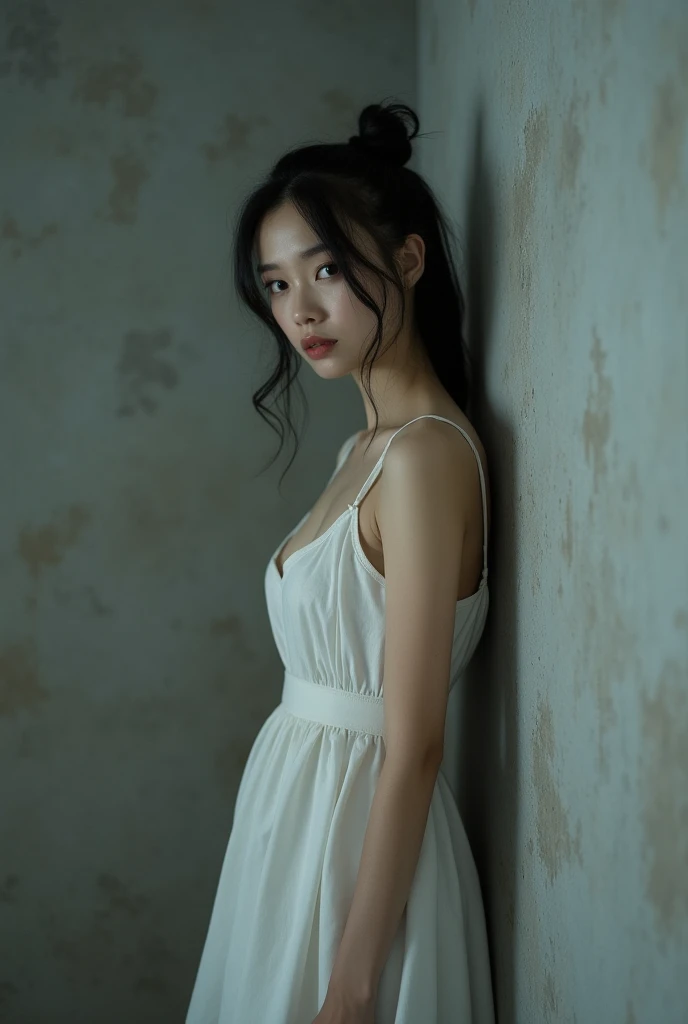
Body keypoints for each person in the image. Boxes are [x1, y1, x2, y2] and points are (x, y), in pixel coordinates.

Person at [186, 99, 495, 1024]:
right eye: (275, 285)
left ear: (407, 259)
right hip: (295, 824)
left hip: (361, 848)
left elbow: (417, 742)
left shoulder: (425, 455)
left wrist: (355, 988)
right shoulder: (362, 452)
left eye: (326, 269)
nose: (301, 310)